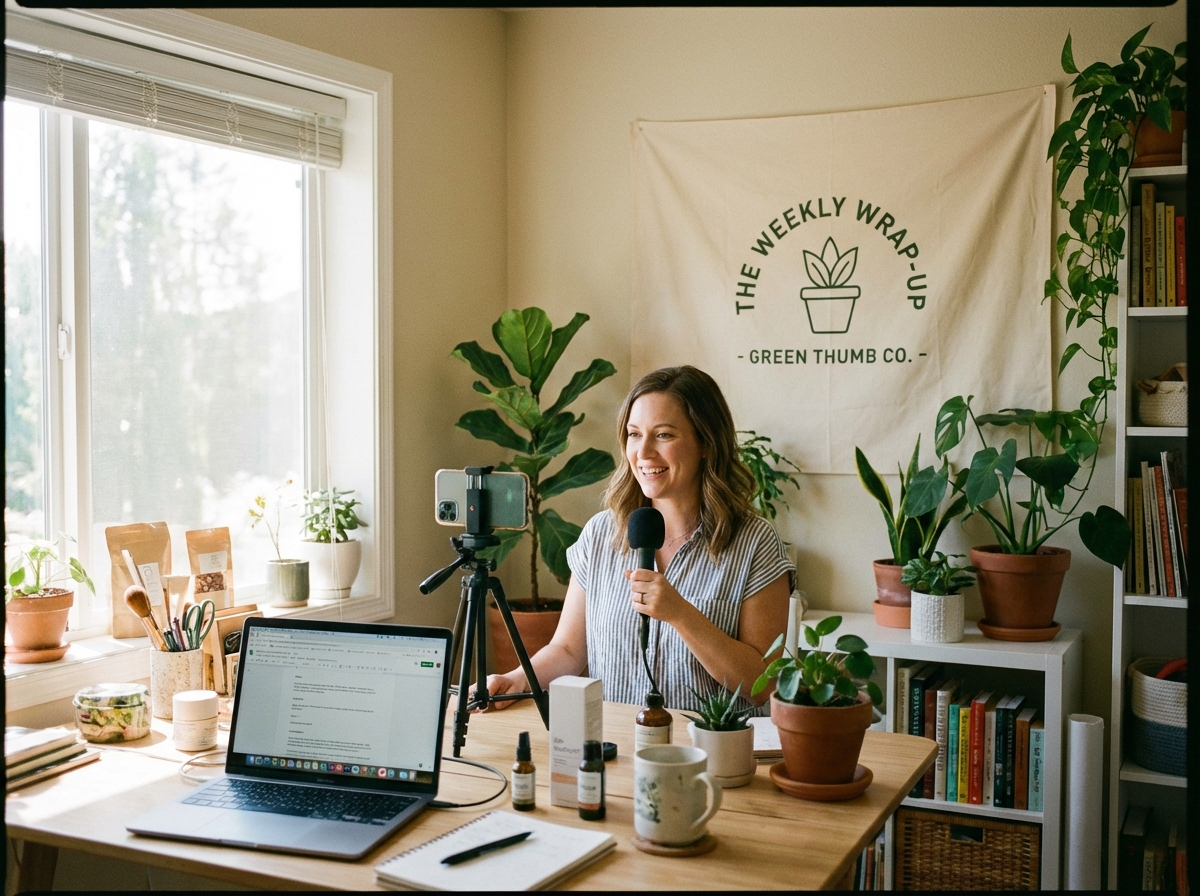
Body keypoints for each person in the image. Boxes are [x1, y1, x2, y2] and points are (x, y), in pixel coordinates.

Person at [486, 365, 794, 712]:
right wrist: (516, 679)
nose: (643, 452)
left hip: (708, 757)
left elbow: (761, 685)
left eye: (663, 435)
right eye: (634, 434)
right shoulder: (601, 533)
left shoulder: (756, 543)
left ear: (707, 442)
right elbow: (569, 651)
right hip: (613, 750)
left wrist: (680, 614)